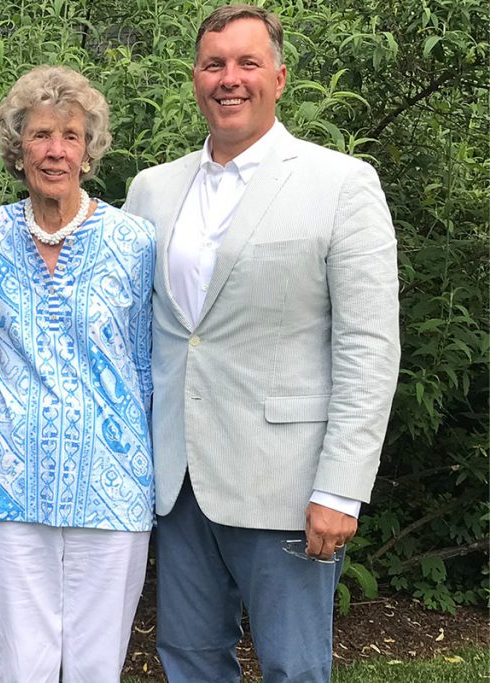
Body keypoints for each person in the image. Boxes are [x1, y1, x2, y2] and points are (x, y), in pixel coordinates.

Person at [123, 5, 401, 681]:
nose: (230, 79)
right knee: (187, 657)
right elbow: (141, 332)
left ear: (277, 77)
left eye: (247, 63)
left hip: (287, 480)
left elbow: (369, 346)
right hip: (178, 478)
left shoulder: (340, 183)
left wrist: (341, 488)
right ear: (195, 78)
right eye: (215, 64)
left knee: (293, 666)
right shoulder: (152, 190)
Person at [0, 65, 155, 682]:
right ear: (18, 148)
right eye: (40, 134)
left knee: (97, 666)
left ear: (89, 149)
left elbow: (150, 362)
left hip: (113, 481)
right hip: (10, 482)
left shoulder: (134, 241)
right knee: (22, 665)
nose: (55, 151)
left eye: (70, 136)